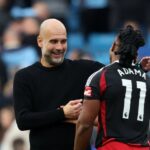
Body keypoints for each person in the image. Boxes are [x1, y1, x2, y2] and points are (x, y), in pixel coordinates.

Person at [13, 19, 150, 150]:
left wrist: (136, 67)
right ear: (40, 41)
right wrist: (62, 113)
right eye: (54, 41)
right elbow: (23, 121)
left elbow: (115, 74)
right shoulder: (24, 76)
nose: (59, 47)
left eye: (63, 41)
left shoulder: (84, 69)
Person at [74, 25, 150, 150]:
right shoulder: (146, 79)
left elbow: (85, 125)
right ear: (136, 54)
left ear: (114, 46)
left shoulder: (101, 77)